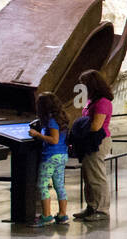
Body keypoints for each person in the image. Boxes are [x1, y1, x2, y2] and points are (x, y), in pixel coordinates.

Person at [74, 69, 114, 222]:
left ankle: (102, 209)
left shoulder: (103, 101)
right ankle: (91, 206)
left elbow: (96, 126)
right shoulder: (92, 100)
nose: (82, 87)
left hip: (98, 141)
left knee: (96, 175)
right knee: (88, 175)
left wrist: (79, 128)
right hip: (88, 141)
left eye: (84, 84)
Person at [29, 92, 70, 226]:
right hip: (62, 155)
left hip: (51, 156)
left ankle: (46, 216)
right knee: (59, 185)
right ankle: (62, 214)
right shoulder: (61, 118)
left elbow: (54, 139)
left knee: (42, 185)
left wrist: (37, 134)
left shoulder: (51, 120)